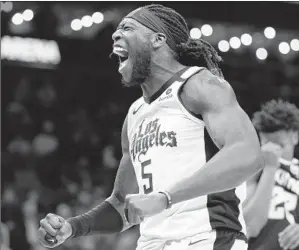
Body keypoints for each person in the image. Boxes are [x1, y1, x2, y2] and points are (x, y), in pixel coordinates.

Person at [38, 4, 263, 250]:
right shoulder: (135, 113)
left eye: (127, 28)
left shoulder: (199, 85)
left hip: (206, 239)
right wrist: (74, 227)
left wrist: (165, 198)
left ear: (158, 39)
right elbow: (123, 204)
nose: (115, 34)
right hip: (152, 244)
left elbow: (248, 154)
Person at [243, 99, 299, 250]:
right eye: (267, 144)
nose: (273, 151)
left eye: (280, 145)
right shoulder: (251, 172)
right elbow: (250, 226)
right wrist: (270, 168)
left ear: (294, 137)